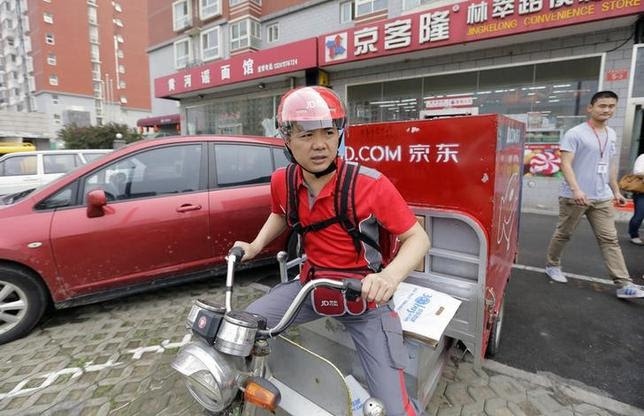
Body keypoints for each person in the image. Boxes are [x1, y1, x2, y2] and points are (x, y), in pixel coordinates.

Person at [233, 86, 430, 416]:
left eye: (329, 132)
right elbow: (280, 213)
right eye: (307, 134)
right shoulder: (282, 180)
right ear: (286, 138)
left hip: (366, 298)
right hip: (309, 287)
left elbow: (418, 238)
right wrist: (254, 245)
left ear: (340, 133)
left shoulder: (369, 184)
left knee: (394, 409)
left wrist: (389, 277)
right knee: (243, 326)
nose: (320, 144)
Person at [545, 90, 644, 298]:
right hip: (575, 196)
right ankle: (552, 265)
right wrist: (576, 189)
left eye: (611, 106)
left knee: (610, 239)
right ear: (590, 108)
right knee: (564, 234)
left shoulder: (612, 134)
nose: (606, 110)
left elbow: (610, 165)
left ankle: (624, 284)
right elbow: (565, 163)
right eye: (602, 106)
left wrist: (616, 190)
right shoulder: (575, 133)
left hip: (602, 196)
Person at [628, 152, 644, 245]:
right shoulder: (642, 157)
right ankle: (634, 235)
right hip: (641, 192)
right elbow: (637, 172)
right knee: (639, 215)